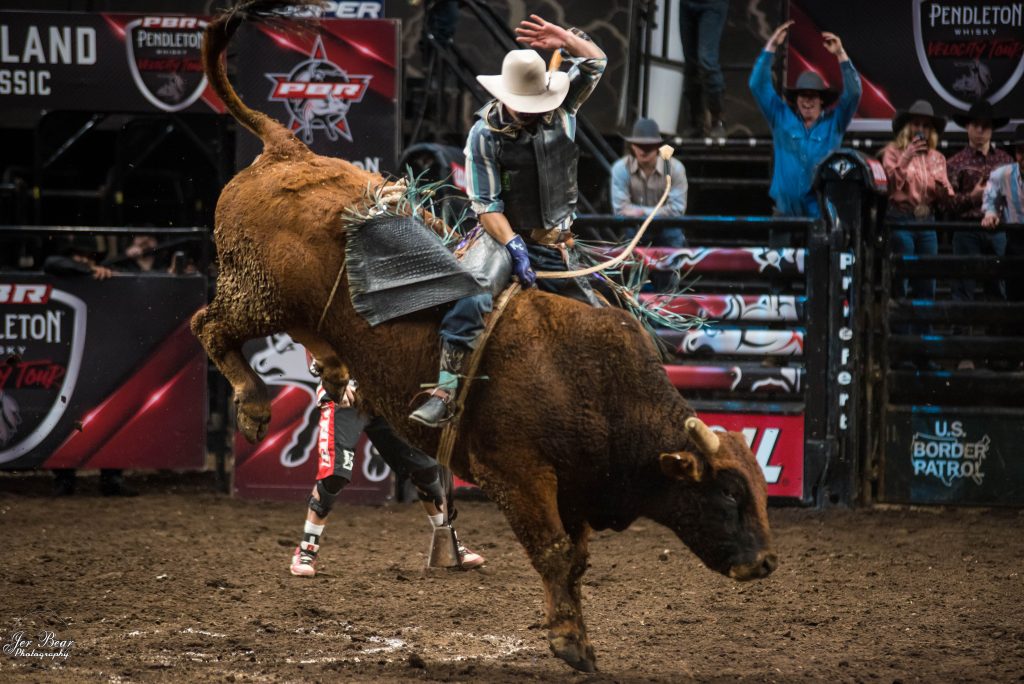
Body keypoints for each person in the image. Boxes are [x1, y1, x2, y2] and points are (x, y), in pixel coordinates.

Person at [409, 14, 606, 428]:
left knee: (606, 319)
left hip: (559, 242)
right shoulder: (484, 135)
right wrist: (514, 245)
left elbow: (595, 64)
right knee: (473, 291)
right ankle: (446, 390)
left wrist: (565, 39)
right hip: (502, 237)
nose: (532, 112)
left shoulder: (563, 107)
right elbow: (486, 204)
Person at [292, 358, 485, 576]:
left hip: (386, 398)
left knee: (426, 470)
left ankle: (449, 546)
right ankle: (306, 550)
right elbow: (313, 336)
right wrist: (330, 376)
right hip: (344, 395)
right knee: (335, 475)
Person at [44, 234, 136, 496]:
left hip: (101, 353)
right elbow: (53, 263)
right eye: (80, 257)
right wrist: (86, 268)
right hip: (67, 354)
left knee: (110, 413)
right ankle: (64, 476)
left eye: (89, 258)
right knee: (65, 416)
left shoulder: (107, 277)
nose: (85, 261)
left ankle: (111, 477)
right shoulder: (62, 269)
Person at [749, 21, 862, 227]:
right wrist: (771, 46)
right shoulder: (781, 117)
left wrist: (841, 55)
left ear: (822, 100)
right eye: (803, 95)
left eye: (812, 96)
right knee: (781, 260)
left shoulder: (834, 123)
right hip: (784, 214)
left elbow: (854, 93)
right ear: (796, 99)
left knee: (815, 260)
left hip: (819, 216)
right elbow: (757, 85)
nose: (807, 101)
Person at [881, 100, 954, 368]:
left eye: (925, 125)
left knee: (927, 286)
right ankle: (900, 350)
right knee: (901, 284)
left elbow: (946, 194)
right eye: (917, 124)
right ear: (907, 127)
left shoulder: (937, 158)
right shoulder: (892, 151)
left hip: (926, 222)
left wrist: (945, 191)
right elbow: (889, 186)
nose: (921, 129)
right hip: (901, 218)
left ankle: (922, 349)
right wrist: (906, 156)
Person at [944, 101, 1013, 368]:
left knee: (998, 290)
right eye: (976, 125)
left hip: (998, 230)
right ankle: (964, 353)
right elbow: (946, 204)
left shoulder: (1005, 160)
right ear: (968, 127)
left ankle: (995, 352)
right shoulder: (956, 162)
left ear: (992, 129)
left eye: (985, 126)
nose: (981, 131)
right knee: (964, 290)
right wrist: (972, 198)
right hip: (967, 230)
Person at [610, 117, 688, 248]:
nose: (643, 150)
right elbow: (620, 210)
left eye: (648, 146)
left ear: (658, 147)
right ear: (632, 146)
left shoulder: (675, 168)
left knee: (674, 234)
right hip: (634, 228)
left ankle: (674, 268)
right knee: (627, 238)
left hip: (667, 227)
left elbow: (677, 210)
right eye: (639, 145)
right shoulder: (621, 168)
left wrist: (640, 212)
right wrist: (659, 212)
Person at [981, 124, 1024, 302]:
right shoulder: (1002, 174)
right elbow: (990, 198)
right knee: (1015, 293)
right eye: (1022, 151)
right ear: (1016, 153)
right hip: (1016, 241)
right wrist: (990, 213)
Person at [679, 0, 730, 137]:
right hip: (687, 4)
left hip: (712, 4)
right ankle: (695, 121)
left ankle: (717, 119)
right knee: (691, 65)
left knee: (707, 61)